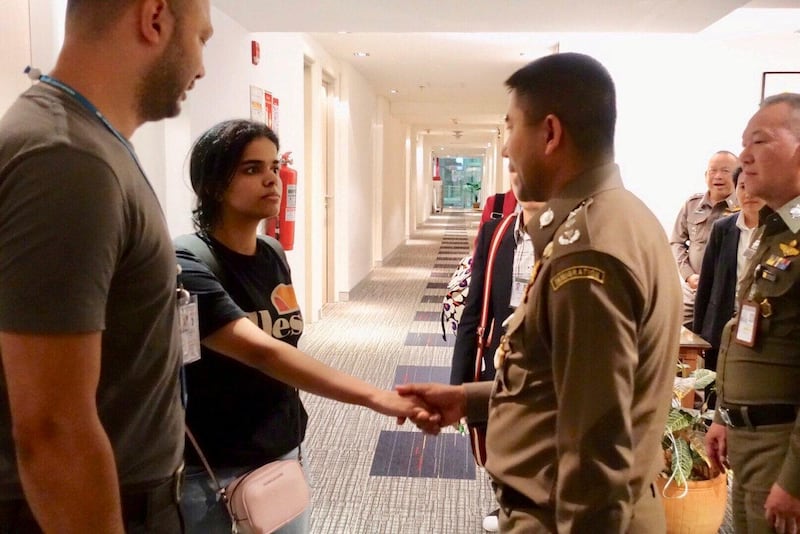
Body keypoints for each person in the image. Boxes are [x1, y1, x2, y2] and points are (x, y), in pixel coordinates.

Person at [399, 52, 682, 533]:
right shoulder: (619, 216)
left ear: (549, 133)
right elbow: (560, 383)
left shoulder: (587, 253)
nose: (507, 149)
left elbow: (597, 446)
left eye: (511, 128)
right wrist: (468, 399)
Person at [0, 1, 213, 532]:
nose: (202, 66)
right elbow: (52, 429)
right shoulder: (66, 158)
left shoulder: (89, 142)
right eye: (201, 39)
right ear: (155, 17)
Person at [175, 119, 426, 534]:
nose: (272, 179)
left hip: (278, 446)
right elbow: (264, 351)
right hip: (210, 461)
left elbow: (283, 335)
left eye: (274, 167)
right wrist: (375, 397)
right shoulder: (188, 263)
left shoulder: (272, 252)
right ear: (214, 184)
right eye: (252, 169)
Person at [705, 93, 800, 534]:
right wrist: (724, 414)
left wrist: (796, 478)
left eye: (760, 141)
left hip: (784, 445)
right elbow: (747, 331)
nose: (744, 156)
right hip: (749, 439)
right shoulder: (774, 233)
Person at [451, 167, 544, 532]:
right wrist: (459, 383)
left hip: (544, 355)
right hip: (497, 353)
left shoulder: (570, 236)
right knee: (497, 433)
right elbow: (475, 308)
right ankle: (507, 504)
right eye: (516, 170)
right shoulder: (497, 231)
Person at [693, 167, 765, 374]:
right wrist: (699, 335)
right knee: (715, 387)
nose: (748, 193)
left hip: (763, 329)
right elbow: (706, 283)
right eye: (742, 186)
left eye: (755, 186)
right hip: (722, 325)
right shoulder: (722, 228)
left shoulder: (782, 231)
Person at [671, 151, 740, 327]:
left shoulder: (744, 208)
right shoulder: (692, 204)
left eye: (725, 171)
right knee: (672, 331)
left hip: (725, 291)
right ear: (705, 175)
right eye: (713, 171)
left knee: (715, 338)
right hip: (693, 287)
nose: (718, 176)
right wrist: (688, 276)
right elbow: (676, 242)